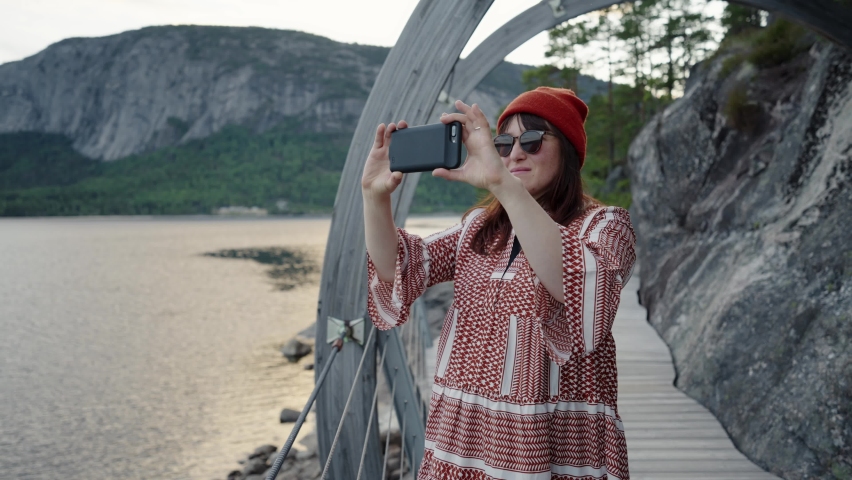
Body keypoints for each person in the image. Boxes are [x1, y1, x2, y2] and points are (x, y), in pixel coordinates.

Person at [362, 87, 636, 480]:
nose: (515, 154)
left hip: (549, 445)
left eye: (532, 140)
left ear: (569, 150)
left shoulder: (606, 225)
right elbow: (400, 269)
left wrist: (500, 182)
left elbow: (580, 287)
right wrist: (373, 198)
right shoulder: (479, 228)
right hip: (462, 440)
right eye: (504, 143)